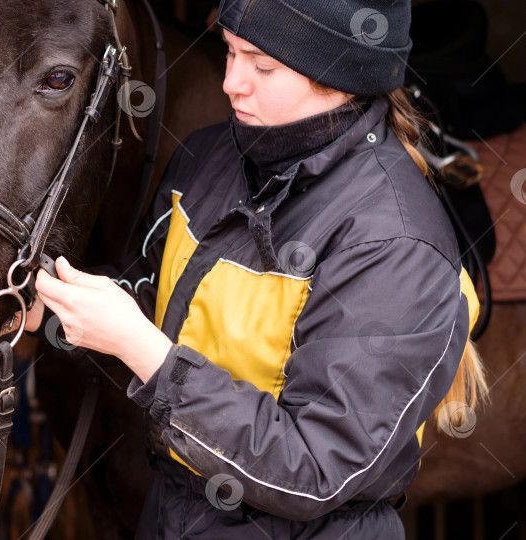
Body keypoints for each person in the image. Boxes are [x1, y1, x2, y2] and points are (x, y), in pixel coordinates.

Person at [24, 0, 487, 537]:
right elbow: (155, 295)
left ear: (339, 78)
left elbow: (315, 471)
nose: (230, 83)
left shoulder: (396, 243)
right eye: (229, 52)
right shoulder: (207, 157)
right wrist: (55, 307)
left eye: (262, 66)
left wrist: (143, 352)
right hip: (175, 515)